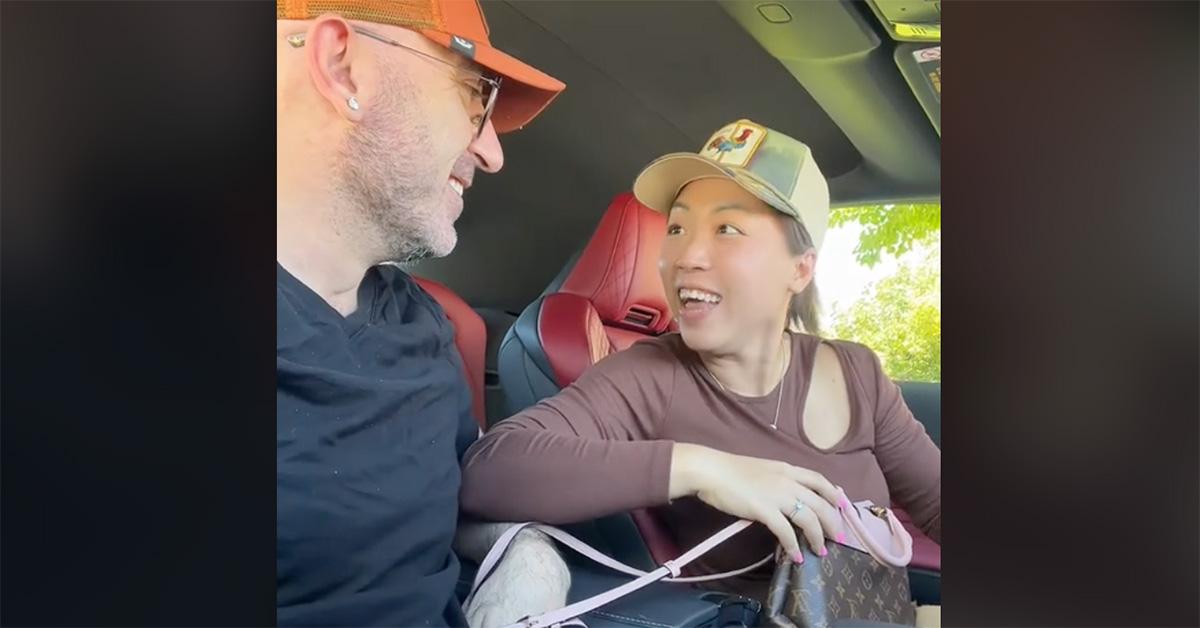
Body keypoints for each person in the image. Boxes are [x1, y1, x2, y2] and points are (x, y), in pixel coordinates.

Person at [460, 119, 941, 604]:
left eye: (727, 229)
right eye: (676, 227)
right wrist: (701, 469)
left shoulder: (858, 374)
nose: (685, 255)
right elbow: (489, 471)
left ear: (800, 269)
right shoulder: (651, 374)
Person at [275, 1, 572, 625]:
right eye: (475, 96)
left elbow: (460, 504)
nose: (492, 153)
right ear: (342, 66)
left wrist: (530, 557)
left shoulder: (420, 321)